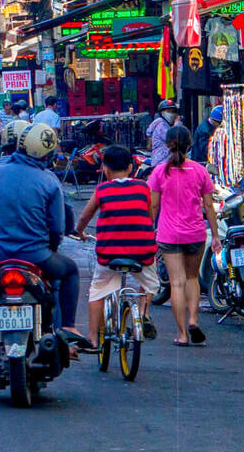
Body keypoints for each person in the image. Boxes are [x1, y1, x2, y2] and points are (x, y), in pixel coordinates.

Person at [0, 123, 91, 352]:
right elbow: (57, 227)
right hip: (37, 256)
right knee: (69, 271)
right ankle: (69, 326)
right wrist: (51, 247)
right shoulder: (50, 181)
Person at [74, 145, 159, 343]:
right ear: (131, 167)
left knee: (97, 290)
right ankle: (143, 314)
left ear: (105, 169)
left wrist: (80, 232)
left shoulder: (102, 190)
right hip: (142, 252)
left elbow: (85, 216)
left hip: (109, 252)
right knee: (150, 284)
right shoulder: (143, 188)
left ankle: (94, 339)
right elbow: (149, 214)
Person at [148, 125, 221, 347]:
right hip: (196, 234)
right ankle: (193, 320)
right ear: (190, 145)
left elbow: (153, 205)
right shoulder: (200, 171)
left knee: (176, 283)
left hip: (169, 235)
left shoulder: (160, 171)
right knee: (192, 279)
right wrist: (216, 236)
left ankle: (182, 335)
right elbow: (209, 205)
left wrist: (150, 230)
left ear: (167, 145)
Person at [148, 99, 181, 167]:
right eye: (168, 111)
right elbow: (172, 138)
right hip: (161, 162)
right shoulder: (161, 125)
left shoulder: (167, 125)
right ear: (162, 112)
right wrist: (177, 125)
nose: (171, 114)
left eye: (172, 112)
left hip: (166, 162)